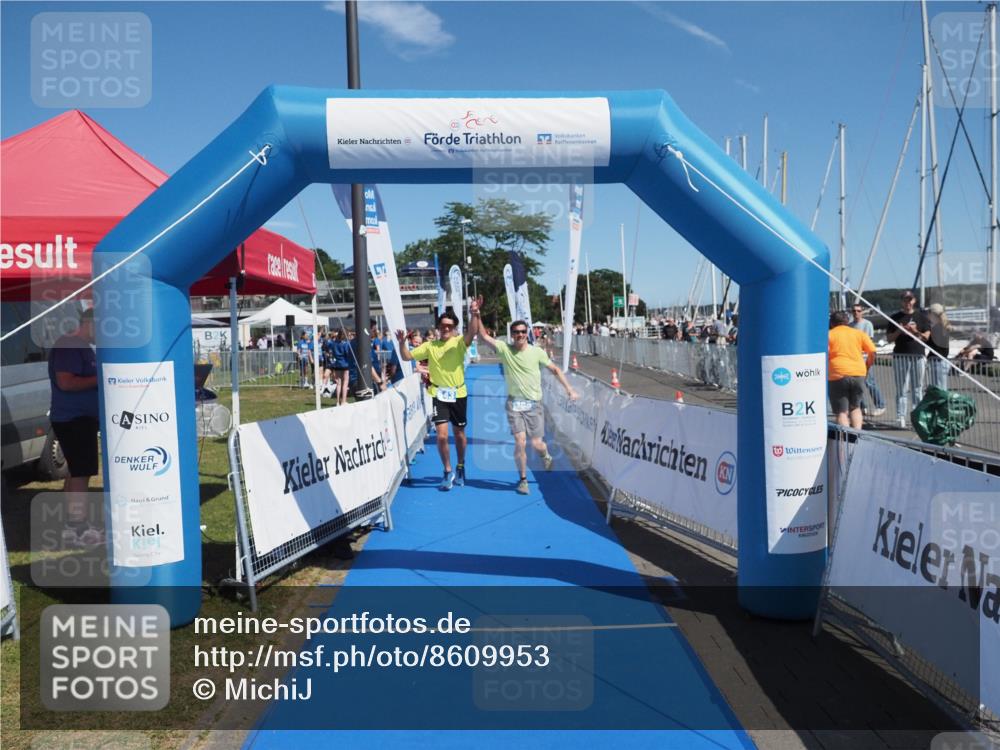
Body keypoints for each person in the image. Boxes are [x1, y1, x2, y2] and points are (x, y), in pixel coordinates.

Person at [476, 310, 579, 494]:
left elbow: (555, 370)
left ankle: (545, 454)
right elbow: (483, 336)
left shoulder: (537, 352)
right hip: (514, 404)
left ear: (527, 333)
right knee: (520, 442)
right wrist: (476, 314)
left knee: (536, 443)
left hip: (533, 404)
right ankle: (523, 480)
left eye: (523, 331)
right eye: (516, 332)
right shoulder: (505, 349)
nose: (520, 335)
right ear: (512, 335)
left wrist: (569, 389)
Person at [397, 305, 478, 490]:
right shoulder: (430, 346)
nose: (446, 328)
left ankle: (460, 466)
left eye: (449, 326)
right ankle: (447, 471)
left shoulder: (459, 342)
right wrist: (402, 342)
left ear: (455, 328)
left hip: (458, 393)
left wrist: (475, 314)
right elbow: (407, 356)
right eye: (443, 325)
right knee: (441, 436)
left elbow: (472, 332)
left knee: (459, 434)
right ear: (438, 327)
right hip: (439, 394)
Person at [48, 309, 102, 547]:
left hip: (80, 419)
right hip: (74, 419)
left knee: (76, 471)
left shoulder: (82, 346)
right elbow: (66, 382)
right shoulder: (69, 344)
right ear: (90, 323)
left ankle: (72, 526)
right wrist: (102, 377)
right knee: (81, 472)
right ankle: (78, 528)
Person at [828, 310, 877, 430]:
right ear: (847, 321)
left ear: (832, 322)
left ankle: (846, 438)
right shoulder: (858, 333)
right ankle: (857, 436)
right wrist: (867, 366)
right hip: (858, 372)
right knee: (855, 407)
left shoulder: (829, 335)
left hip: (837, 374)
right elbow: (872, 351)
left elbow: (825, 354)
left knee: (841, 411)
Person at [888, 290, 931, 427]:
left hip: (918, 356)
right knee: (901, 388)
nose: (907, 302)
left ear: (914, 301)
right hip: (900, 355)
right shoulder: (894, 317)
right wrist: (899, 331)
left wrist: (915, 331)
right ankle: (901, 416)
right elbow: (889, 339)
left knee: (917, 388)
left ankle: (917, 416)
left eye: (910, 300)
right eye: (905, 300)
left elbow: (926, 337)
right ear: (902, 301)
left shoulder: (922, 317)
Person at [849, 303, 885, 416]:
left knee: (869, 382)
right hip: (854, 358)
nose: (856, 313)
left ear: (862, 312)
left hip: (864, 358)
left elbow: (868, 341)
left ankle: (880, 405)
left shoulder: (867, 324)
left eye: (858, 311)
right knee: (856, 384)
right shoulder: (850, 326)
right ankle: (861, 406)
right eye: (854, 311)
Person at [925, 303, 951, 390]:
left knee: (939, 390)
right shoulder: (945, 326)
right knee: (942, 388)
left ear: (933, 314)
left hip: (937, 361)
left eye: (929, 312)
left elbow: (930, 343)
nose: (927, 315)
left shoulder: (936, 328)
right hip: (943, 360)